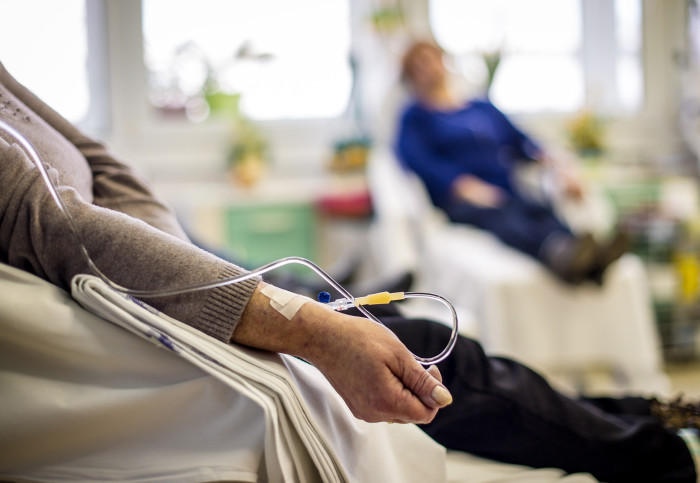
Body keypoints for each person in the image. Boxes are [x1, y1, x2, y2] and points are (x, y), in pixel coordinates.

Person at [0, 59, 696, 483]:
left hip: (177, 266)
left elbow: (107, 166)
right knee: (429, 344)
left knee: (444, 338)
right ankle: (643, 443)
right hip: (149, 312)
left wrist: (183, 248)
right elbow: (67, 228)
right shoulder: (420, 119)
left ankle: (637, 420)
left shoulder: (480, 107)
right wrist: (317, 330)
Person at [395, 40, 628, 285]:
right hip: (461, 200)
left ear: (444, 61)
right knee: (506, 217)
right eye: (418, 65)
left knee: (540, 209)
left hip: (506, 188)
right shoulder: (414, 117)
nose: (429, 68)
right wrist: (462, 186)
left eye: (431, 59)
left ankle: (588, 257)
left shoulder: (481, 107)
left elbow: (523, 142)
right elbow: (417, 160)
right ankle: (560, 255)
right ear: (411, 76)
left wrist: (559, 167)